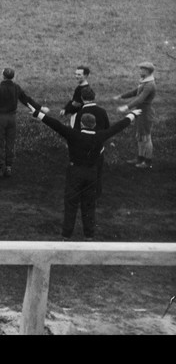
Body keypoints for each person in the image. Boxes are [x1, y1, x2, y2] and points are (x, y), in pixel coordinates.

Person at [29, 104, 141, 240]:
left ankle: (66, 235)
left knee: (71, 204)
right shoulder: (100, 136)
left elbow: (55, 124)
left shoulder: (73, 134)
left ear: (81, 124)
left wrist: (37, 113)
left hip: (74, 172)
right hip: (91, 174)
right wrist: (132, 114)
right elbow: (118, 127)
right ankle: (89, 235)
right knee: (89, 205)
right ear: (94, 125)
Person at [0, 67, 46, 179]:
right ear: (13, 76)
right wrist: (40, 108)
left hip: (0, 119)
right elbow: (26, 100)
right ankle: (9, 167)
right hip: (12, 119)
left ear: (3, 75)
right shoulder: (16, 88)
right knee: (10, 143)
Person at [113, 61, 157, 169]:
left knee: (146, 138)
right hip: (140, 113)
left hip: (145, 114)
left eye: (142, 69)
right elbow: (135, 92)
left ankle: (147, 162)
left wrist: (126, 107)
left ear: (147, 71)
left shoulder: (149, 84)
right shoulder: (144, 82)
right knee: (140, 137)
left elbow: (140, 99)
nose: (140, 71)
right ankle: (140, 158)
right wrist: (121, 96)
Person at [73, 87, 109, 197]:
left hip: (83, 150)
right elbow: (107, 128)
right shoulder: (102, 112)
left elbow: (76, 132)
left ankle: (82, 193)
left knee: (82, 172)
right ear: (94, 97)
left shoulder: (80, 113)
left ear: (82, 98)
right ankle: (97, 194)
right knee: (98, 173)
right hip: (98, 148)